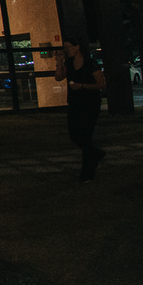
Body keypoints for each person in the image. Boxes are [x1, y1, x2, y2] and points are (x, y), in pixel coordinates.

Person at [55, 36, 106, 183]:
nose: (67, 50)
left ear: (77, 47)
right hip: (74, 103)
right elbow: (59, 77)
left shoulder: (90, 64)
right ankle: (96, 154)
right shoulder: (69, 64)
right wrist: (59, 61)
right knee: (74, 134)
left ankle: (87, 172)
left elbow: (101, 84)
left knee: (85, 137)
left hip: (90, 104)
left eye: (69, 47)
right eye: (65, 47)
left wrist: (82, 86)